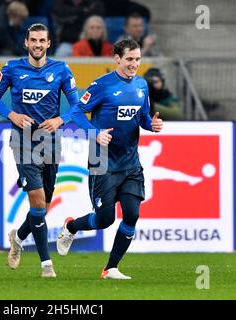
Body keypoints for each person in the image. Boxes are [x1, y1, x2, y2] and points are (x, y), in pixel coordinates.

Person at [56, 39, 163, 279]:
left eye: (137, 59)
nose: (134, 64)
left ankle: (110, 268)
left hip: (130, 162)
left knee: (132, 214)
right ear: (117, 58)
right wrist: (95, 134)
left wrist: (152, 125)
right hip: (102, 161)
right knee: (105, 219)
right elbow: (75, 112)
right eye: (129, 59)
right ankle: (71, 227)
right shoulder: (102, 85)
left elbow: (143, 117)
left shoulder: (142, 86)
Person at [0, 23, 79, 278]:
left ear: (49, 43)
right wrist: (12, 114)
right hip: (23, 143)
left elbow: (77, 106)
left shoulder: (61, 70)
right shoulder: (12, 68)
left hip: (51, 143)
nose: (38, 45)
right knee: (37, 202)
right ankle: (46, 264)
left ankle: (17, 237)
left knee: (42, 208)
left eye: (42, 40)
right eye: (33, 40)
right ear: (26, 43)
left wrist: (60, 120)